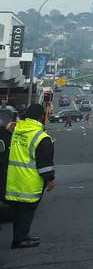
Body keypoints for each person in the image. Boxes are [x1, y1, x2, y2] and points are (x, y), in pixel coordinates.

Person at [5, 104, 54, 249]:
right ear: (41, 117)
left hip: (14, 179)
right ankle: (20, 239)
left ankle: (20, 236)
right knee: (27, 211)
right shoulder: (41, 137)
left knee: (18, 211)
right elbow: (45, 163)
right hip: (29, 182)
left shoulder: (18, 129)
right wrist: (50, 180)